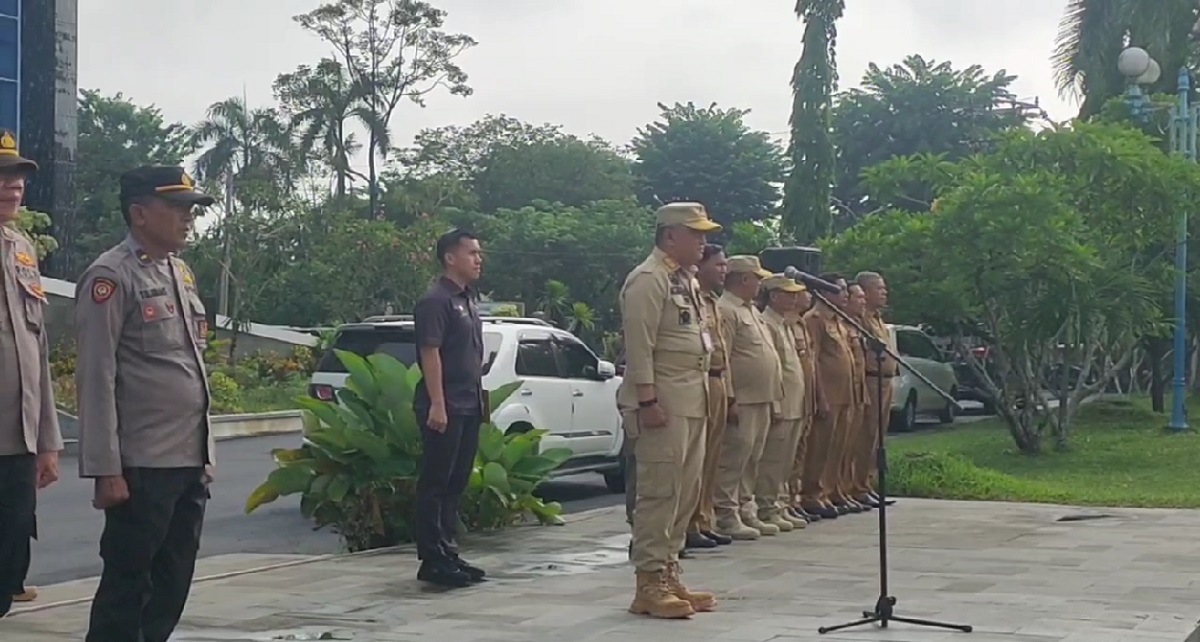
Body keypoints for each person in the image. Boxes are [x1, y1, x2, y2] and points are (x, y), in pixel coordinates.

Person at [76, 165, 216, 642]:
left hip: (186, 458)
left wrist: (206, 452)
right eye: (175, 208)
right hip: (142, 463)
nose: (187, 217)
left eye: (190, 209)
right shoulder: (110, 276)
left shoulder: (178, 271)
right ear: (139, 213)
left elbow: (190, 366)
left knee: (172, 581)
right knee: (128, 585)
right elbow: (96, 377)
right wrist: (105, 467)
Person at [618, 201, 719, 619]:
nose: (703, 242)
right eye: (695, 234)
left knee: (685, 492)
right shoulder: (648, 279)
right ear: (669, 236)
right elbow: (640, 346)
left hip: (692, 399)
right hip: (662, 401)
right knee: (659, 492)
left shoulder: (685, 280)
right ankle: (648, 582)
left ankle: (669, 568)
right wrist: (647, 401)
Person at [0, 130, 62, 618]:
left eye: (17, 178)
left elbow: (36, 350)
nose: (13, 187)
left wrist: (47, 441)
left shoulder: (22, 248)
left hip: (16, 441)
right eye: (2, 177)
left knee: (8, 565)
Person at [412, 228, 488, 589]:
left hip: (469, 403)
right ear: (450, 258)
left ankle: (448, 549)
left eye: (479, 252)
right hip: (445, 406)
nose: (478, 259)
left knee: (455, 482)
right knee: (436, 482)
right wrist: (438, 404)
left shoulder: (468, 299)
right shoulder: (436, 301)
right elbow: (431, 353)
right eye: (471, 252)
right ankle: (432, 558)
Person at [712, 255, 783, 540]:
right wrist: (730, 398)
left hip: (761, 397)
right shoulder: (726, 309)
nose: (760, 285)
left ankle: (745, 509)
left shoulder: (750, 310)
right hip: (742, 398)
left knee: (752, 459)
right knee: (734, 459)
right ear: (743, 279)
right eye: (757, 279)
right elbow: (723, 357)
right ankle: (726, 515)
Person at [684, 245, 732, 550]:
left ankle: (703, 518)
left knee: (711, 458)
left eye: (725, 265)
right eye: (718, 265)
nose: (723, 270)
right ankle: (688, 524)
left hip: (717, 381)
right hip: (698, 380)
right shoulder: (692, 298)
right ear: (700, 266)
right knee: (695, 460)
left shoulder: (712, 303)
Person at [799, 274, 856, 519]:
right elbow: (814, 360)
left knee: (837, 448)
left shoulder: (838, 320)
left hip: (845, 395)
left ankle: (830, 491)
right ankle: (812, 494)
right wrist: (819, 396)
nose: (844, 294)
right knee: (819, 448)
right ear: (824, 292)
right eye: (839, 289)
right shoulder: (815, 320)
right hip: (828, 394)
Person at [755, 274, 809, 532]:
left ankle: (781, 504)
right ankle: (767, 507)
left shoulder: (786, 324)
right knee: (772, 461)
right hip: (781, 402)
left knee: (786, 461)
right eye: (788, 294)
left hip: (795, 402)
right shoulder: (767, 323)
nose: (794, 298)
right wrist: (775, 403)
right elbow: (773, 370)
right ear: (774, 295)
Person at [853, 271, 896, 507]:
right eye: (879, 288)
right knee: (866, 435)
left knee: (878, 437)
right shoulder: (860, 319)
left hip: (886, 381)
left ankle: (867, 483)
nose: (884, 292)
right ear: (866, 291)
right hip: (870, 380)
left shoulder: (878, 319)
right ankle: (857, 485)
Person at [836, 282, 871, 512]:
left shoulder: (855, 324)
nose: (862, 301)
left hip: (856, 388)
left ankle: (846, 488)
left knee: (850, 445)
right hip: (834, 393)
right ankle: (828, 492)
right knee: (832, 447)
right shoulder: (819, 321)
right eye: (857, 297)